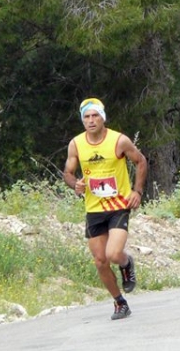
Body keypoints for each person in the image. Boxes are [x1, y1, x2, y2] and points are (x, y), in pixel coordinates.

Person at [63, 98, 148, 320]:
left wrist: (137, 191)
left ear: (103, 118)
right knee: (100, 261)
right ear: (82, 120)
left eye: (95, 116)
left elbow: (140, 161)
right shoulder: (76, 144)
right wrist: (76, 185)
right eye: (86, 117)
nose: (91, 121)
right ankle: (119, 302)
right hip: (93, 209)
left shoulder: (118, 141)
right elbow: (68, 173)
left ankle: (126, 262)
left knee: (113, 254)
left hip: (119, 205)